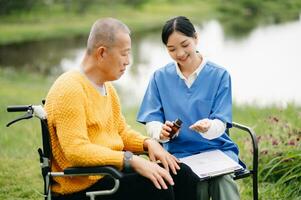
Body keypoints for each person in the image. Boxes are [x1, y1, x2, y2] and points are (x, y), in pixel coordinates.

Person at [44, 18, 198, 200]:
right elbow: (76, 151)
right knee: (157, 186)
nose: (128, 61)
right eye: (124, 54)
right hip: (81, 187)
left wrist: (148, 144)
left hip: (109, 175)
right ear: (102, 53)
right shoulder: (69, 88)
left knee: (182, 174)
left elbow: (121, 132)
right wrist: (131, 160)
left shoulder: (107, 88)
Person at [137, 16, 241, 200]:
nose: (180, 53)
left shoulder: (219, 75)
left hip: (217, 150)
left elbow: (221, 123)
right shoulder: (159, 78)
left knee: (222, 181)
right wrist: (161, 131)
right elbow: (152, 119)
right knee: (194, 184)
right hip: (179, 153)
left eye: (185, 45)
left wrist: (209, 127)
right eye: (172, 49)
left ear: (196, 38)